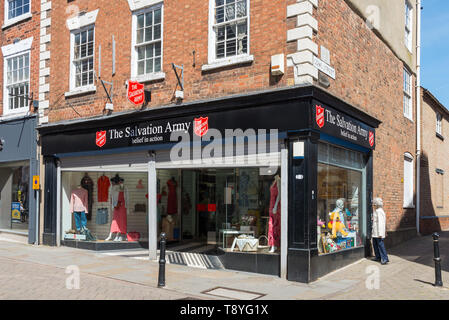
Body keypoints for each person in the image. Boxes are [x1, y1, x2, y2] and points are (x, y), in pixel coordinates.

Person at [371, 197, 389, 265]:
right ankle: (378, 257)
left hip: (378, 232)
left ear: (377, 204)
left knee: (380, 245)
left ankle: (385, 258)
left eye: (374, 204)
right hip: (375, 232)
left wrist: (381, 233)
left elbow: (381, 223)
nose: (373, 205)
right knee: (375, 245)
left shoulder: (379, 211)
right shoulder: (376, 211)